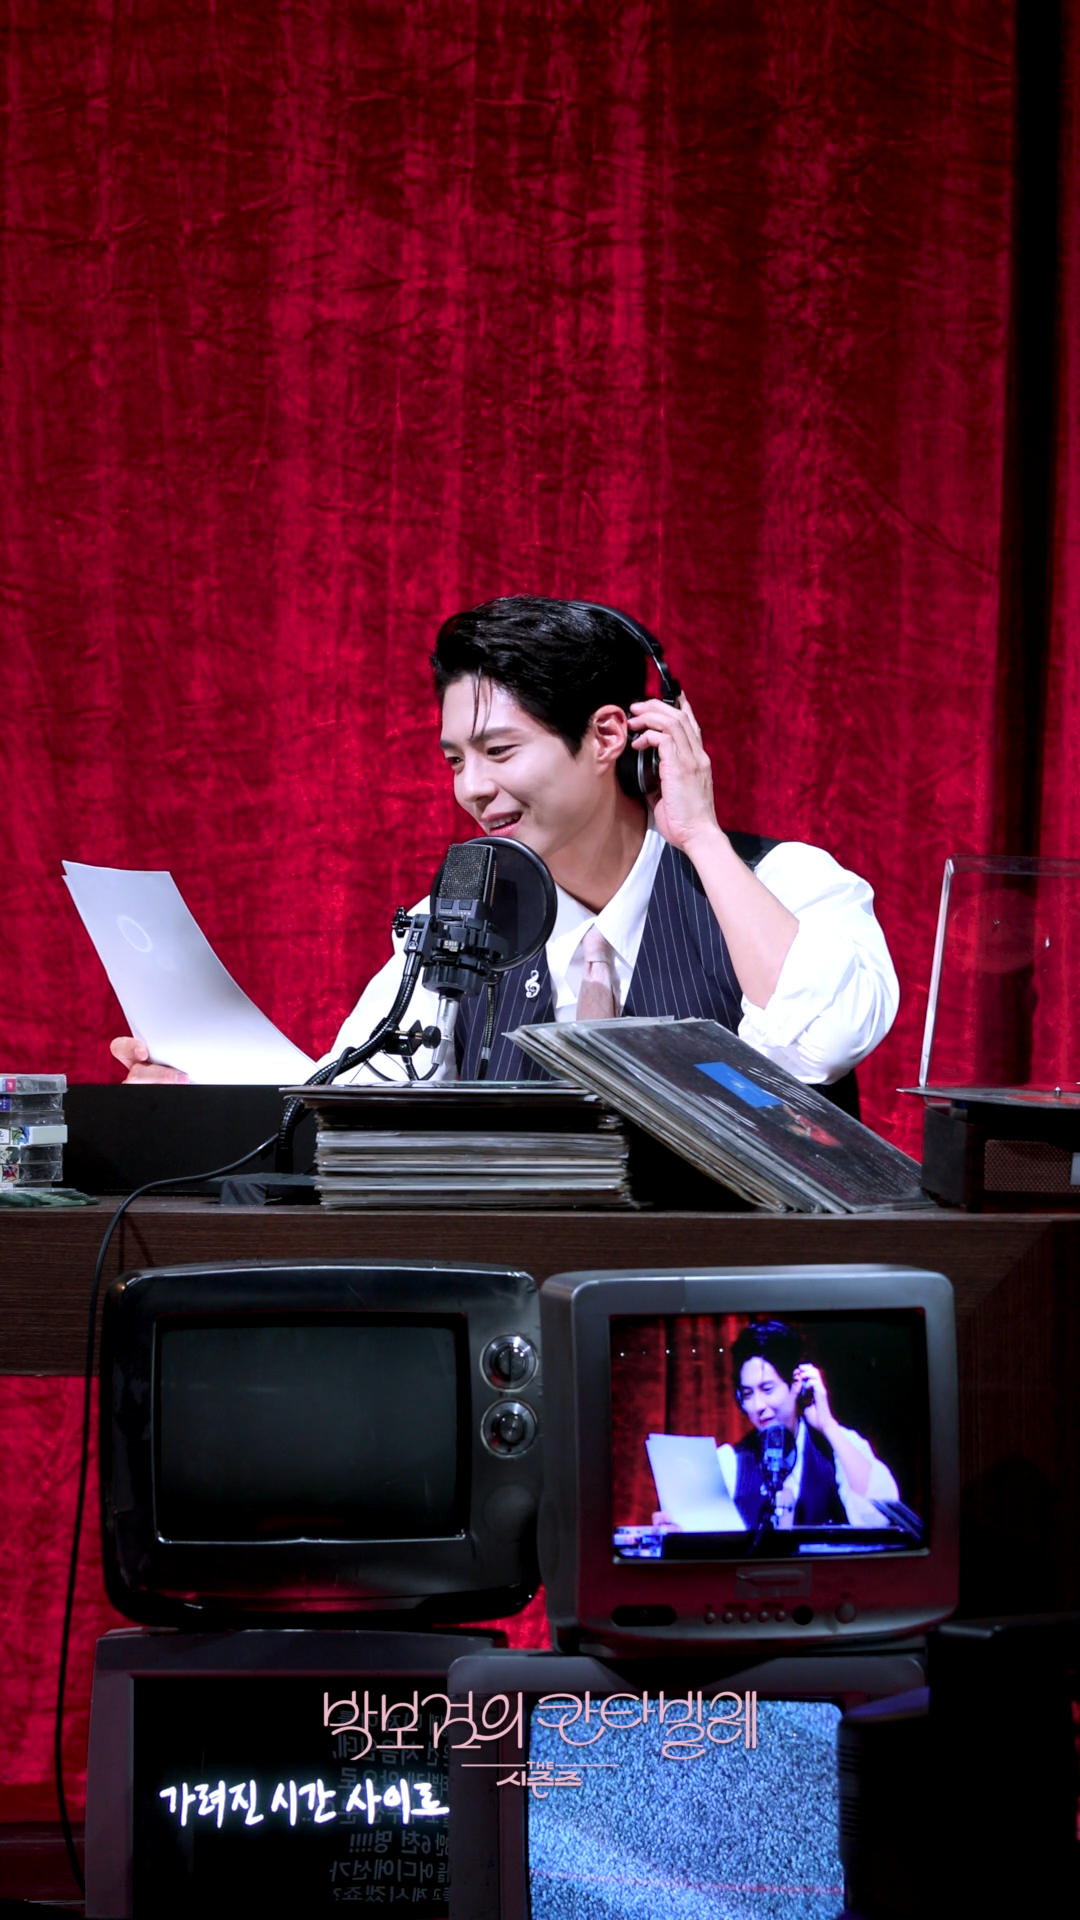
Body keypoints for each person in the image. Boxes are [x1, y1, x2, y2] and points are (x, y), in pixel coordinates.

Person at [111, 596, 899, 1086]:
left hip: (733, 1292)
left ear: (608, 736)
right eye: (456, 760)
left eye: (499, 751)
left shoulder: (785, 882)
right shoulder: (457, 919)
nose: (472, 788)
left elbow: (822, 1045)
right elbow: (354, 1099)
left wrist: (699, 836)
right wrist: (202, 1093)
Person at [720, 1319, 900, 1531]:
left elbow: (880, 1517)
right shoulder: (730, 1462)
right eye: (748, 1394)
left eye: (767, 1389)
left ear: (796, 1383)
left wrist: (829, 1426)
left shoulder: (837, 1446)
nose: (757, 1405)